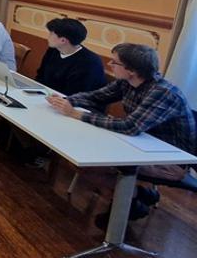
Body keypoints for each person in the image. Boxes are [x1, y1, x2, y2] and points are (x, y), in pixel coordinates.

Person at [47, 43, 196, 222]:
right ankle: (136, 195)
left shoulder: (163, 93)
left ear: (131, 70)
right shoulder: (127, 82)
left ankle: (130, 203)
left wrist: (76, 114)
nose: (109, 64)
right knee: (78, 160)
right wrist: (66, 100)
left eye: (115, 62)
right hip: (138, 144)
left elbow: (129, 126)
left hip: (169, 161)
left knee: (90, 165)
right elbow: (96, 97)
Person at [35, 18, 106, 95]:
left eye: (51, 34)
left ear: (63, 40)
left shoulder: (89, 63)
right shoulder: (53, 50)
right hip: (48, 95)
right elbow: (40, 75)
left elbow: (75, 95)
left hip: (72, 101)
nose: (48, 36)